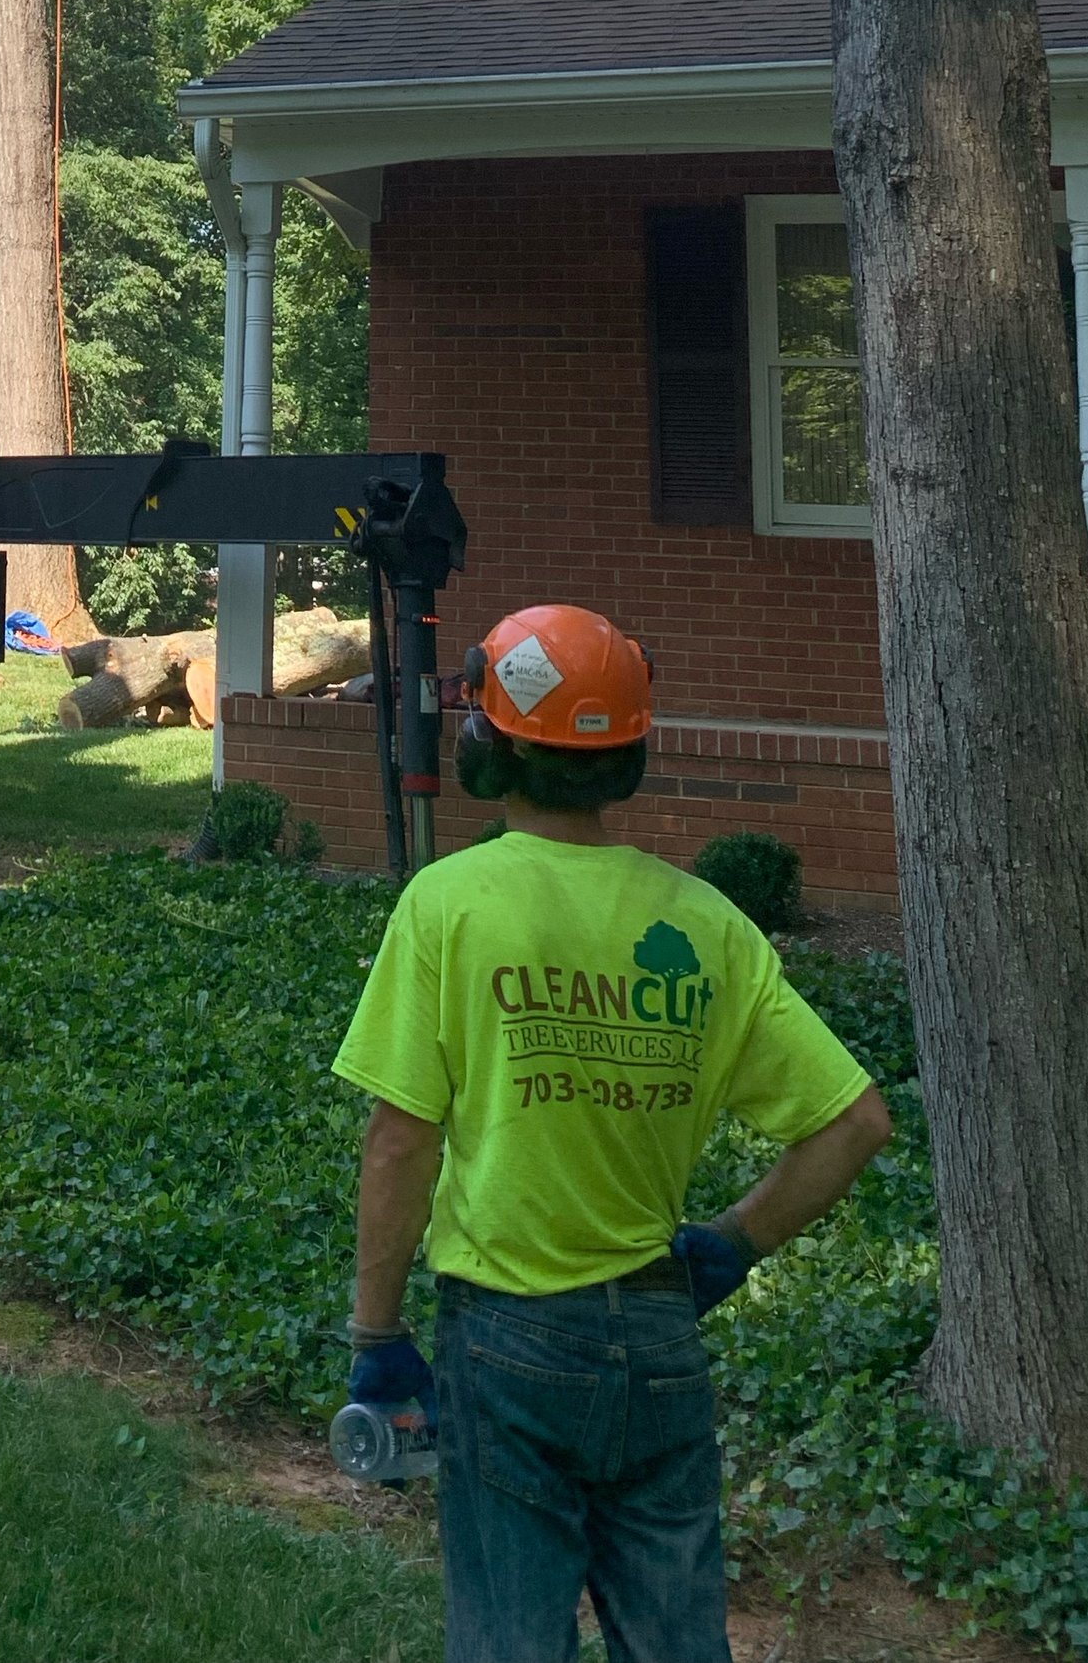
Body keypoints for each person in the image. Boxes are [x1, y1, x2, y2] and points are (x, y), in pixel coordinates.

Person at [333, 603, 891, 1663]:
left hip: (504, 1340)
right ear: (631, 754)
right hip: (658, 1341)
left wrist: (375, 1337)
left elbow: (400, 1142)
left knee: (509, 1639)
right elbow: (856, 1122)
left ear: (485, 747)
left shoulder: (448, 907)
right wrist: (726, 1246)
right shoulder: (706, 924)